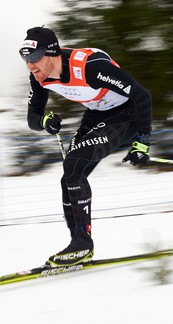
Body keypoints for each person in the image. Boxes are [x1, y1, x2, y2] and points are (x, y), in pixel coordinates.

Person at [19, 27, 153, 267]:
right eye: (25, 58)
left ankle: (82, 243)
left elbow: (142, 95)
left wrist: (142, 141)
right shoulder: (39, 76)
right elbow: (32, 118)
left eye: (34, 58)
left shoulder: (91, 68)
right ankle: (77, 245)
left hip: (127, 114)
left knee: (73, 164)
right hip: (97, 113)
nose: (30, 65)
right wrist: (44, 121)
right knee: (69, 176)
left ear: (51, 53)